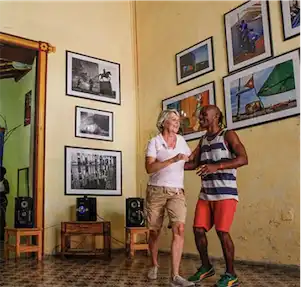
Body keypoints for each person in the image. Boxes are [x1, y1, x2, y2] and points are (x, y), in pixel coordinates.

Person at [185, 105, 248, 287]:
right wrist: (169, 165)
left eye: (204, 114)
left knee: (222, 232)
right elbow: (194, 163)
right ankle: (206, 267)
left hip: (225, 194)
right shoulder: (203, 139)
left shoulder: (228, 135)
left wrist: (217, 166)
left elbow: (243, 158)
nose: (200, 116)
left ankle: (231, 274)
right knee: (198, 230)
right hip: (206, 194)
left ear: (216, 116)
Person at [145, 109, 195, 287]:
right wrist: (173, 160)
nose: (177, 122)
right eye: (173, 119)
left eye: (178, 120)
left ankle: (175, 276)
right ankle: (153, 264)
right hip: (156, 191)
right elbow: (149, 169)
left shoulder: (182, 141)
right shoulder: (154, 142)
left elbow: (189, 160)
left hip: (176, 191)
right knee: (154, 230)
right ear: (163, 122)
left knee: (179, 228)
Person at [0, 166, 9, 240]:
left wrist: (1, 192)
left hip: (2, 200)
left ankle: (2, 234)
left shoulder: (5, 181)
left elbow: (7, 191)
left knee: (2, 216)